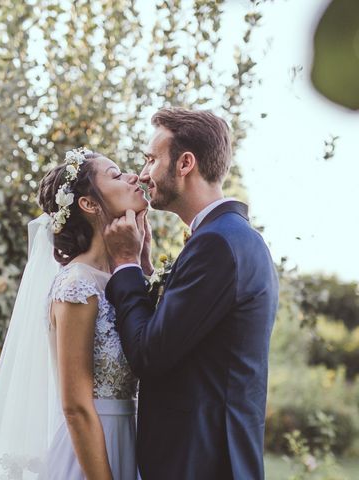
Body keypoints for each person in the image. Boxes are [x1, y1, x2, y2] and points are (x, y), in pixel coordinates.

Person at [103, 107, 279, 480]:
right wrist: (146, 269)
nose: (144, 173)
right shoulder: (234, 238)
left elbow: (150, 354)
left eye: (151, 159)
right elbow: (188, 336)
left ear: (185, 163)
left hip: (198, 463)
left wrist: (125, 264)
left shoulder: (216, 244)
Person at [0, 148, 147, 479]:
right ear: (89, 204)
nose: (133, 177)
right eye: (115, 174)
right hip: (91, 454)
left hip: (131, 441)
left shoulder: (120, 279)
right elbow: (75, 406)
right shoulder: (77, 283)